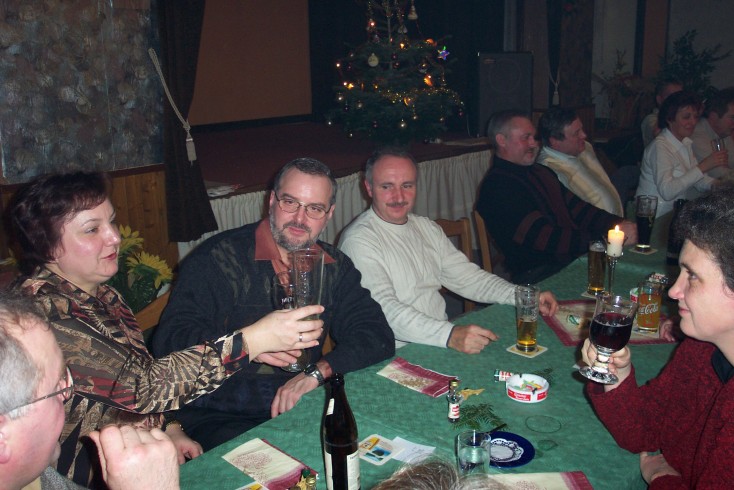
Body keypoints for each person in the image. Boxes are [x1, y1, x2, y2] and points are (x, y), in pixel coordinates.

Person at [9, 172, 324, 485]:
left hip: (145, 452)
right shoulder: (42, 315)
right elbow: (144, 387)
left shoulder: (104, 295)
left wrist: (170, 427)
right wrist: (252, 341)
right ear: (48, 248)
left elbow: (136, 372)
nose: (114, 237)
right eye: (92, 229)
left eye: (112, 222)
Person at [152, 157, 395, 451]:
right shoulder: (218, 259)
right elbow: (169, 343)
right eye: (290, 203)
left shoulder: (333, 266)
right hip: (220, 416)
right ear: (271, 201)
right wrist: (247, 346)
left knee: (374, 443)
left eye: (314, 208)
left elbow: (376, 336)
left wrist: (316, 373)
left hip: (302, 405)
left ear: (329, 214)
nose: (300, 219)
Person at [581, 182, 734, 487]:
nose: (674, 291)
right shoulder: (701, 350)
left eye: (693, 276)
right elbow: (644, 430)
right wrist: (617, 377)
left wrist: (662, 480)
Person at [339, 147, 558, 354]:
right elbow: (384, 311)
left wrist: (522, 296)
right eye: (387, 187)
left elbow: (467, 278)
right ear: (369, 188)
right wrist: (450, 335)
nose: (399, 197)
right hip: (391, 352)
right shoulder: (359, 241)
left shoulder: (425, 227)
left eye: (407, 185)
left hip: (436, 341)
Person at [0, 290, 179, 490]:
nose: (69, 391)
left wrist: (171, 424)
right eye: (58, 386)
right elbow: (146, 384)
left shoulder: (36, 478)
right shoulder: (52, 304)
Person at [476, 110, 637, 284]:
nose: (534, 143)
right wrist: (605, 240)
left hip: (569, 262)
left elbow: (579, 209)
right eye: (526, 138)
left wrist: (618, 224)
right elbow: (544, 238)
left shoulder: (540, 172)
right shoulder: (497, 186)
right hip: (537, 276)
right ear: (502, 140)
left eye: (534, 137)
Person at [636, 91, 729, 217]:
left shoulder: (685, 143)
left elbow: (699, 181)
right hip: (653, 217)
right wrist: (703, 166)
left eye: (695, 117)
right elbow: (667, 191)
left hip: (671, 215)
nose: (693, 122)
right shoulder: (660, 146)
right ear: (670, 119)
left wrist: (723, 186)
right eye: (686, 117)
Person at [537, 107, 626, 216]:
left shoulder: (584, 147)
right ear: (554, 141)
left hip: (615, 221)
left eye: (581, 129)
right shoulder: (548, 171)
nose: (584, 135)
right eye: (576, 133)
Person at [690, 86, 734, 179]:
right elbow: (719, 173)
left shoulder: (724, 133)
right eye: (732, 118)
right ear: (713, 116)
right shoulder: (696, 135)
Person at [641, 79, 684, 148]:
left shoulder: (686, 118)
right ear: (659, 99)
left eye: (680, 97)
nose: (677, 101)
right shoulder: (651, 119)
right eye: (671, 97)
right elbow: (661, 135)